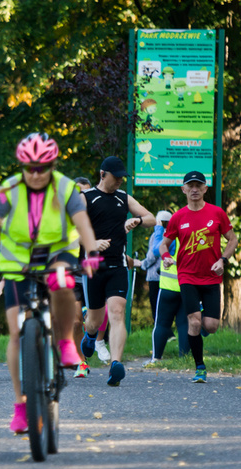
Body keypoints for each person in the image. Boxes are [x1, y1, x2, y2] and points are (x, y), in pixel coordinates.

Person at [0, 132, 98, 433]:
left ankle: (65, 340)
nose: (36, 174)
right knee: (16, 333)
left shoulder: (67, 189)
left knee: (63, 280)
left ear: (52, 165)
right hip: (19, 259)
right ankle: (20, 405)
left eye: (43, 167)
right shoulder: (8, 191)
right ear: (22, 166)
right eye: (30, 168)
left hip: (58, 252)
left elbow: (83, 225)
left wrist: (91, 253)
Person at [79, 156, 155, 386]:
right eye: (117, 176)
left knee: (117, 312)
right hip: (93, 268)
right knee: (95, 320)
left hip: (119, 265)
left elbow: (151, 218)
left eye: (123, 176)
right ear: (103, 174)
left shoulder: (124, 198)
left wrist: (137, 221)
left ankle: (115, 364)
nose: (121, 180)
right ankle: (90, 336)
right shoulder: (86, 198)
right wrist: (93, 242)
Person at [159, 171, 238, 383]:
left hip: (212, 277)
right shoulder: (178, 217)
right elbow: (163, 244)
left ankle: (198, 319)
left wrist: (223, 259)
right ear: (183, 189)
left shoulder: (217, 213)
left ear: (205, 189)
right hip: (187, 276)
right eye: (190, 186)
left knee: (211, 326)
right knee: (194, 323)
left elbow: (232, 239)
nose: (194, 189)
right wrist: (166, 257)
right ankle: (200, 367)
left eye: (198, 185)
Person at [145, 213, 190, 365]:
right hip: (186, 287)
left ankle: (156, 358)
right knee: (184, 323)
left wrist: (158, 228)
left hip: (169, 287)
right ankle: (184, 359)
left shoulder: (171, 239)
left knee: (162, 323)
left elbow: (157, 249)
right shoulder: (188, 237)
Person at [141, 210, 172, 320]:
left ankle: (161, 331)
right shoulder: (174, 234)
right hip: (170, 276)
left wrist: (143, 264)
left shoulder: (156, 235)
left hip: (155, 276)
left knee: (156, 305)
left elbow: (152, 256)